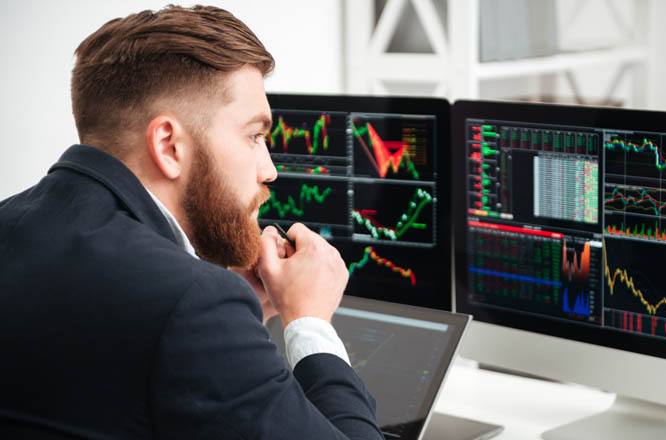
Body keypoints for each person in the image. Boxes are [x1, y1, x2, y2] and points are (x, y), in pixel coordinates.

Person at [0, 5, 383, 439]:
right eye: (254, 136)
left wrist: (239, 322)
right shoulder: (193, 302)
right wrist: (309, 321)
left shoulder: (12, 224)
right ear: (169, 145)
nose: (269, 169)